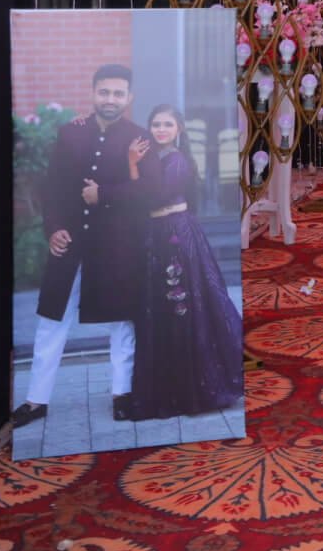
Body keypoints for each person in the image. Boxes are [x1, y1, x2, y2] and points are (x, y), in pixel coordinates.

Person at [13, 65, 147, 428]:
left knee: (122, 323)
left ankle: (122, 395)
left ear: (129, 98)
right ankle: (36, 401)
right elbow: (52, 188)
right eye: (104, 92)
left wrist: (101, 196)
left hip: (115, 246)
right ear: (93, 93)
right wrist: (53, 228)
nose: (110, 99)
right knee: (50, 320)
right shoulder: (69, 134)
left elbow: (142, 195)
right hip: (70, 242)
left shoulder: (139, 137)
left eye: (119, 93)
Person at [127, 105, 244, 420]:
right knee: (163, 311)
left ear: (178, 129)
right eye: (155, 124)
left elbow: (156, 197)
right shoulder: (155, 158)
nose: (161, 129)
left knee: (184, 307)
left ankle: (197, 388)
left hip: (176, 237)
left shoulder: (176, 159)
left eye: (167, 124)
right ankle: (171, 388)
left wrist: (132, 166)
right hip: (158, 236)